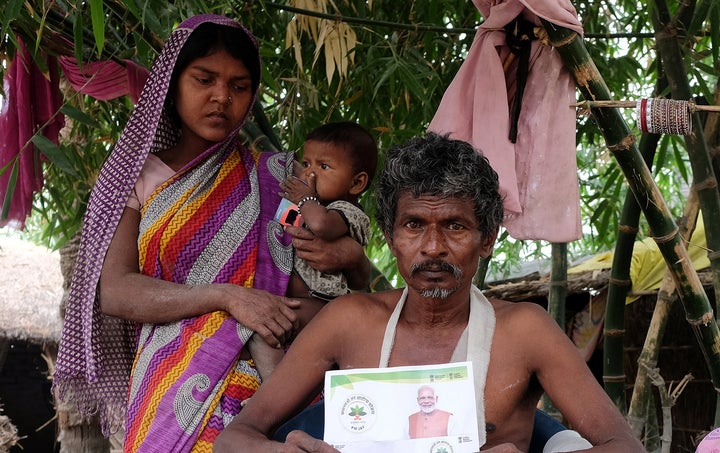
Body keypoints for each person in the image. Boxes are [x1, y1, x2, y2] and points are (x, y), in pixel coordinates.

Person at [52, 14, 370, 452]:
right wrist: (228, 296)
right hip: (168, 387)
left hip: (276, 394)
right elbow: (116, 292)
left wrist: (353, 260)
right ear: (172, 82)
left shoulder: (277, 176)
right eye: (204, 79)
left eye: (239, 87)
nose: (221, 97)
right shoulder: (135, 177)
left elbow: (314, 279)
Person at [213, 132, 645, 452]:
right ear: (390, 234)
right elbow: (233, 440)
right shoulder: (349, 321)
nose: (433, 248)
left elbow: (624, 446)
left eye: (455, 226)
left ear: (488, 237)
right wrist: (277, 450)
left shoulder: (524, 332)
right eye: (414, 225)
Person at [248, 121, 377, 380]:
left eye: (324, 166)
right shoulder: (313, 206)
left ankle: (275, 395)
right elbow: (278, 225)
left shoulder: (347, 212)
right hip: (298, 299)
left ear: (357, 182)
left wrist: (305, 197)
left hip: (322, 304)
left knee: (263, 332)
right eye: (306, 164)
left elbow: (320, 225)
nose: (310, 174)